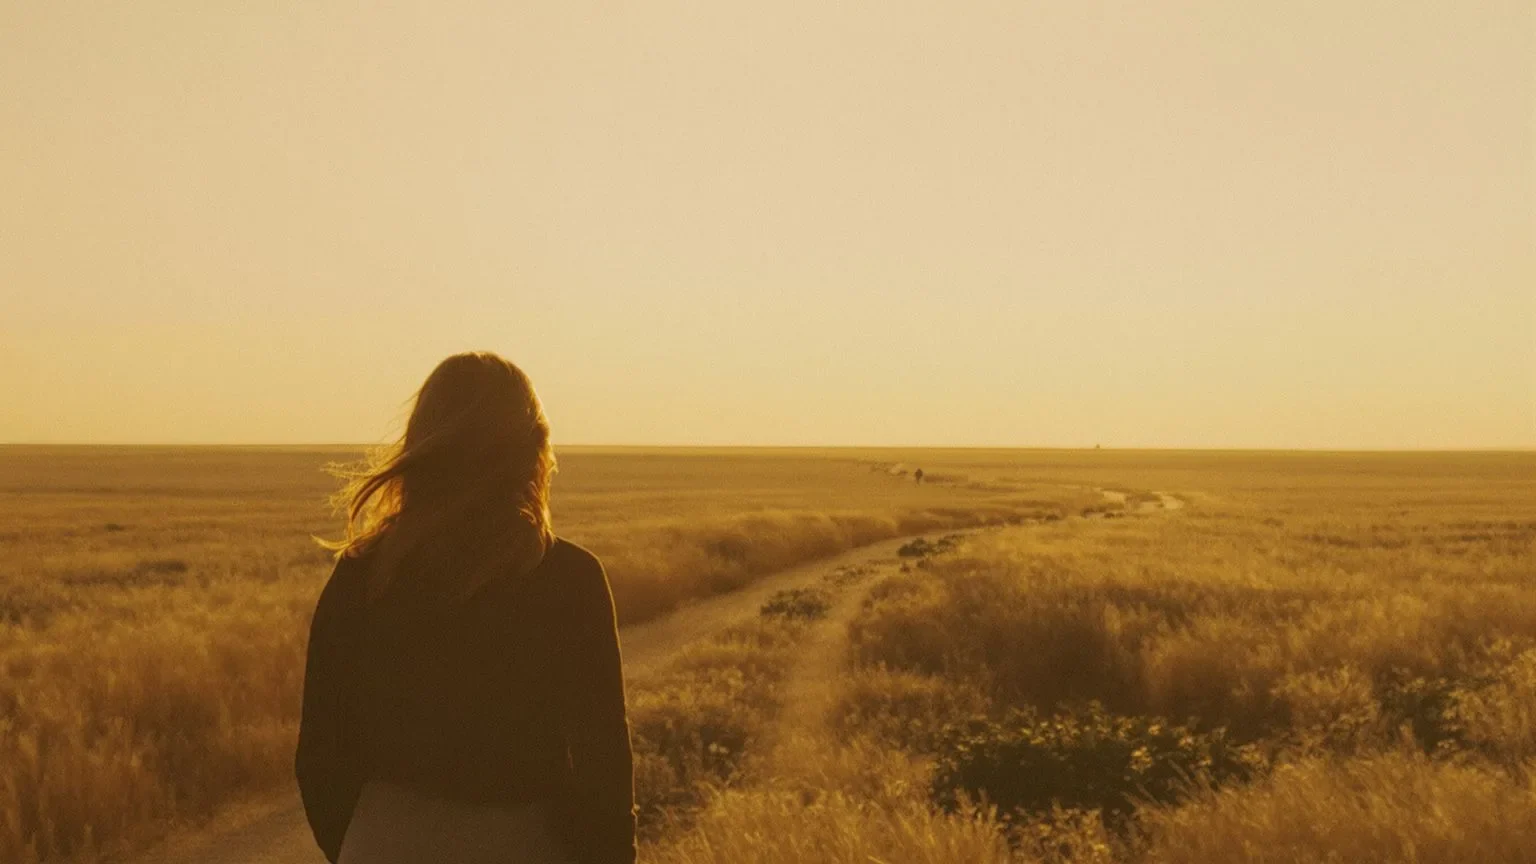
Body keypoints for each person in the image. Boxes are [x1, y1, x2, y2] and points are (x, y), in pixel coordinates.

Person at [296, 352, 636, 864]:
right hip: (522, 844)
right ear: (532, 451)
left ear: (422, 444)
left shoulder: (363, 574)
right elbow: (603, 766)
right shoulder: (568, 577)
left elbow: (319, 755)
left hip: (382, 841)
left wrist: (366, 842)